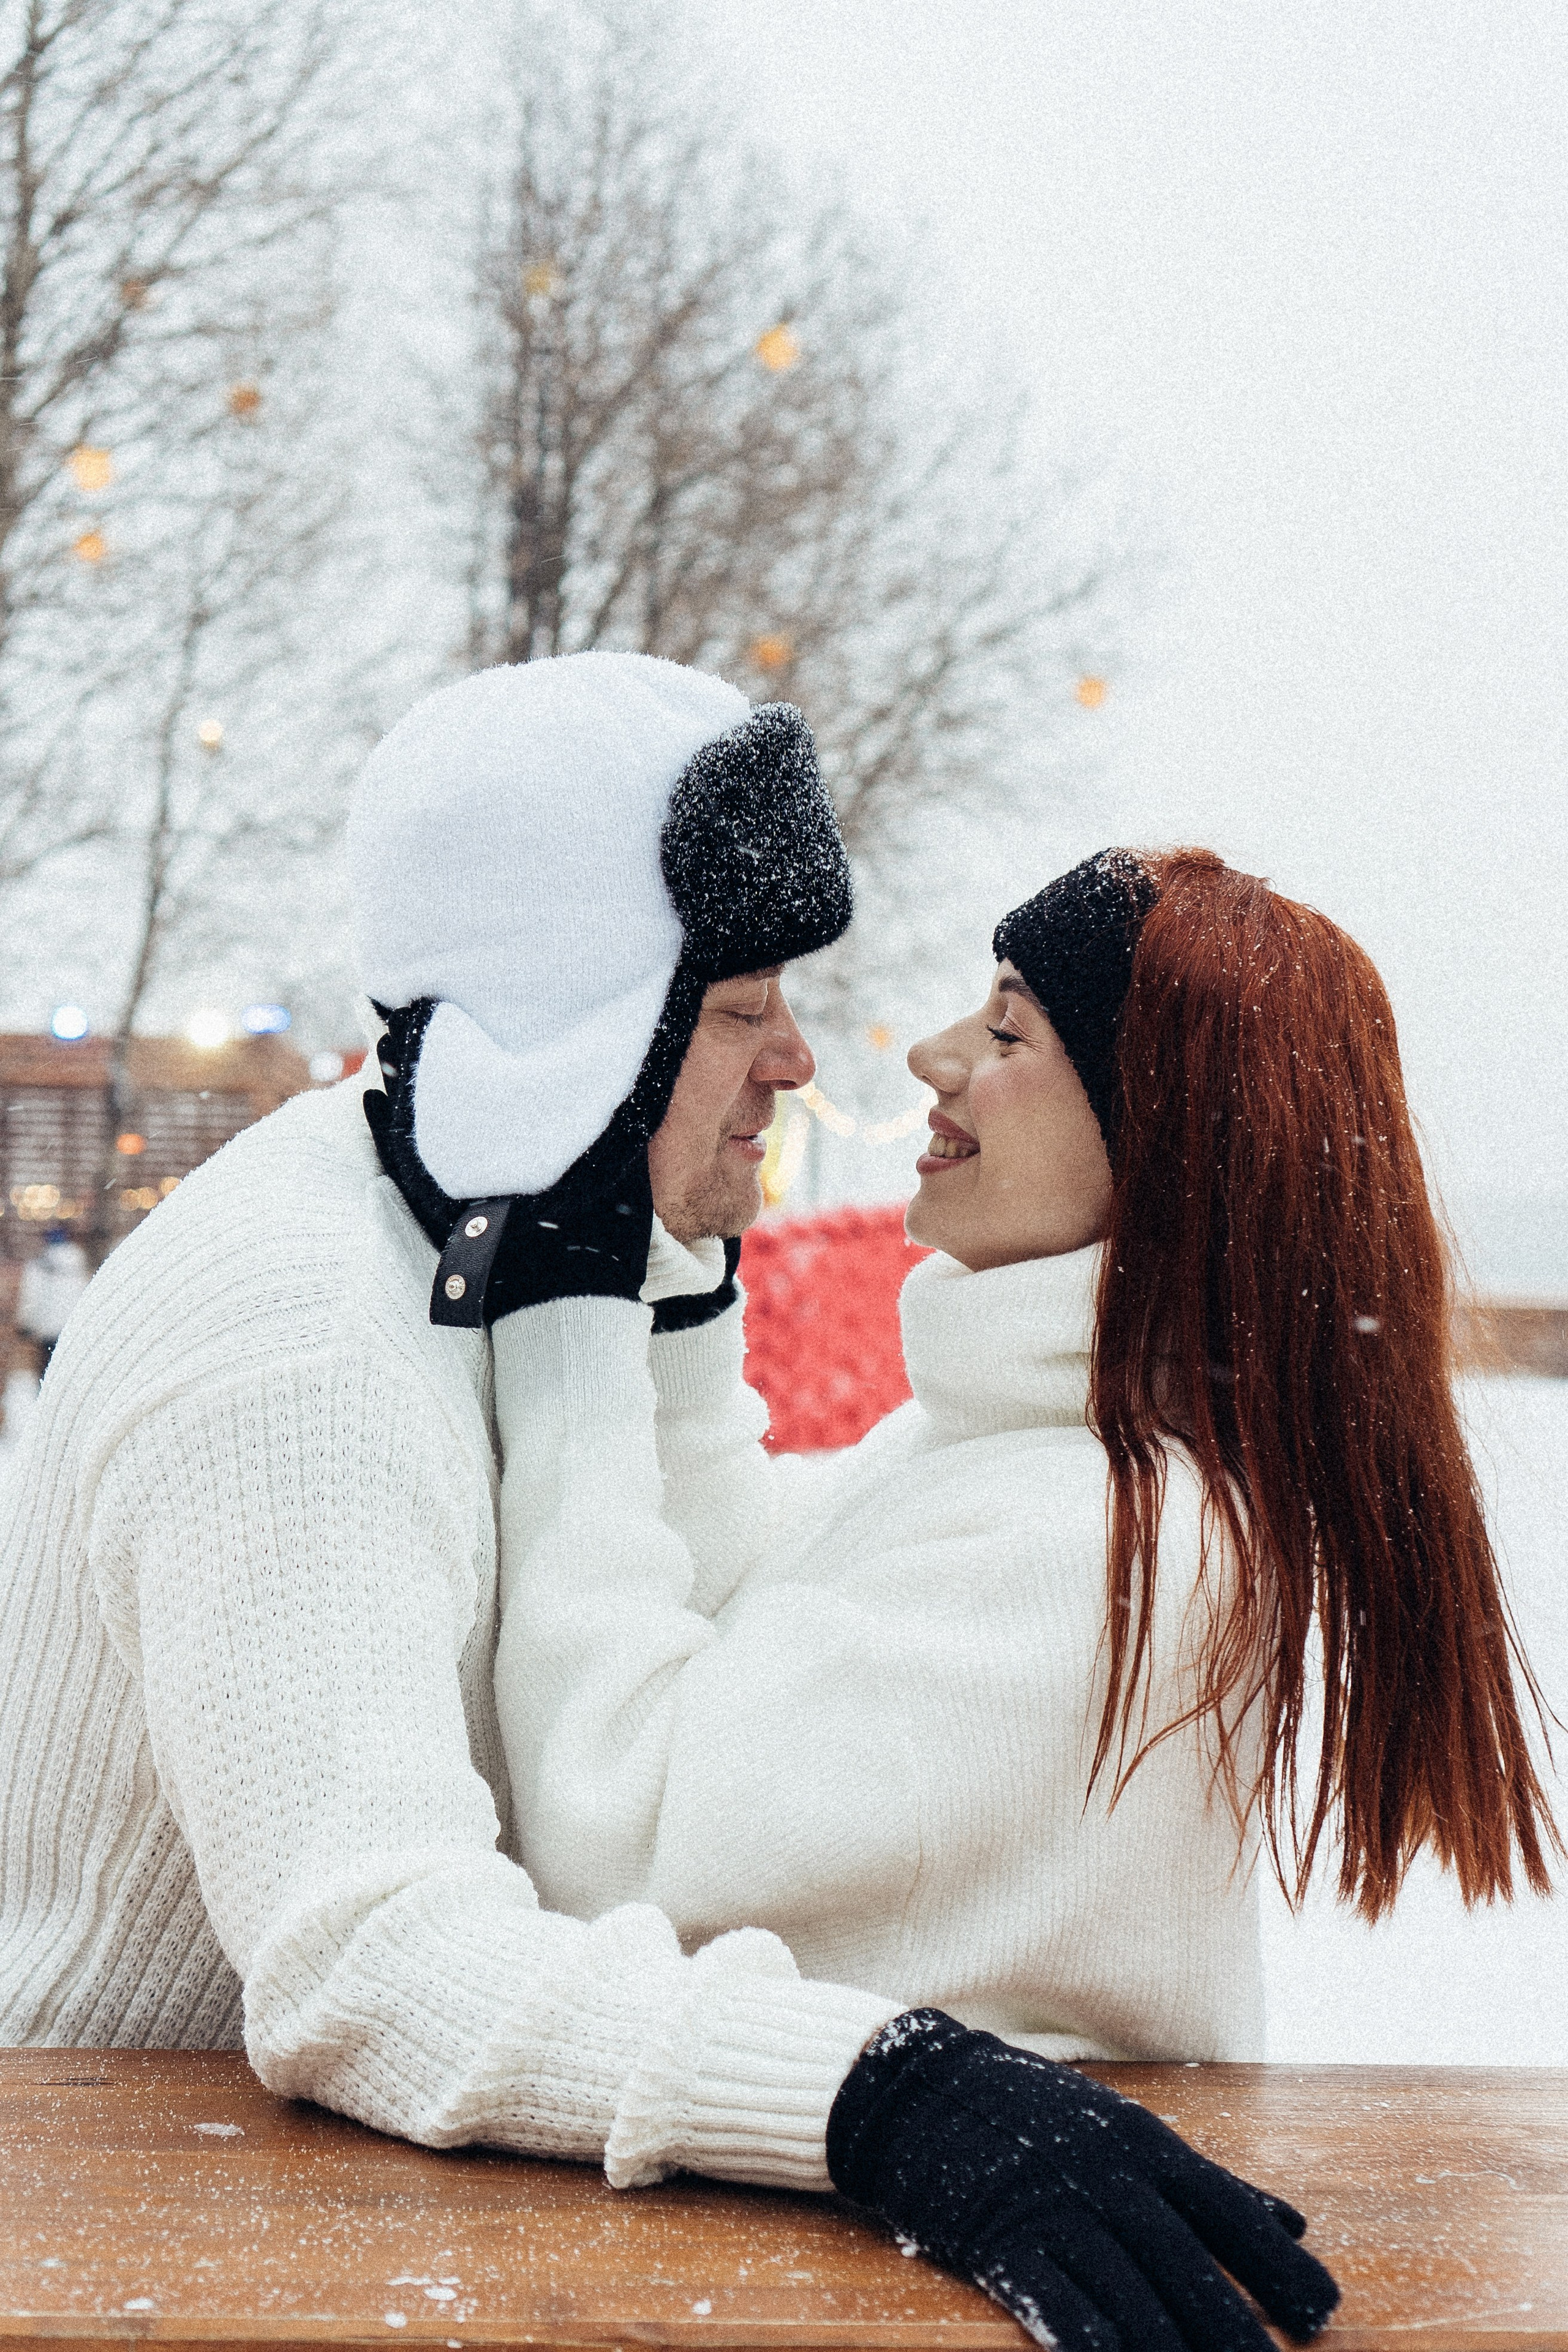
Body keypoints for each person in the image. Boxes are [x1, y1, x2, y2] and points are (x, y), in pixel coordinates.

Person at [0, 663, 1334, 2352]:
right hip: (126, 2235)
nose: (800, 1058)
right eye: (733, 1011)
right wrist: (881, 2096)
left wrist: (659, 1287)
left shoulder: (492, 1247)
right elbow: (369, 1960)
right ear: (584, 1033)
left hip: (341, 2210)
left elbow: (697, 1637)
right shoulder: (305, 1342)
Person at [485, 847, 1561, 2340]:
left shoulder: (1105, 1537)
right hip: (860, 2274)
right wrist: (669, 1302)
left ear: (1159, 1140)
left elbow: (610, 1839)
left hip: (904, 2309)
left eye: (1004, 1031)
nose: (931, 1059)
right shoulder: (1027, 1455)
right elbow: (732, 1606)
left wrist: (565, 1340)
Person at [14, 1225, 89, 1378]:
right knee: (71, 1374)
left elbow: (32, 1298)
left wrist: (26, 1324)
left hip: (48, 1332)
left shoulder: (39, 1266)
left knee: (48, 1375)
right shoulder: (80, 1266)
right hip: (74, 1331)